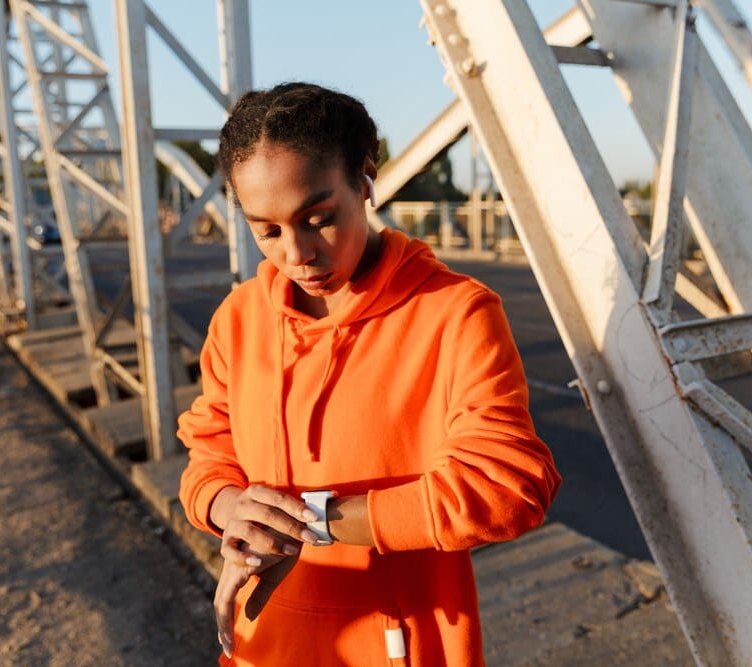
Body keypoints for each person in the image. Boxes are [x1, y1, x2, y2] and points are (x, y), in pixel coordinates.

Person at [177, 82, 561, 666]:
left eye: (319, 218)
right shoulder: (238, 320)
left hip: (403, 650)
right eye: (267, 230)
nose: (297, 253)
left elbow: (510, 485)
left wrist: (313, 521)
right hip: (261, 648)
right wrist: (230, 507)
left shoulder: (455, 313)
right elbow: (208, 456)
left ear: (365, 179)